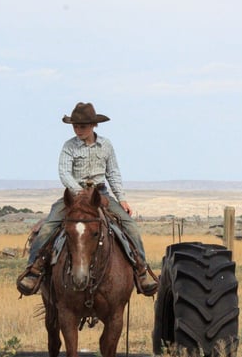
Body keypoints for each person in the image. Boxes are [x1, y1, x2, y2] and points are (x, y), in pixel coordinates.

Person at [16, 101, 158, 296]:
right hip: (75, 195)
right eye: (75, 126)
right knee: (48, 227)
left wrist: (122, 199)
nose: (78, 130)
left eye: (82, 126)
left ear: (93, 125)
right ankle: (33, 270)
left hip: (101, 195)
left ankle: (141, 270)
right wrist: (78, 191)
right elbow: (64, 172)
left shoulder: (106, 145)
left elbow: (113, 173)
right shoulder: (69, 146)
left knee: (130, 226)